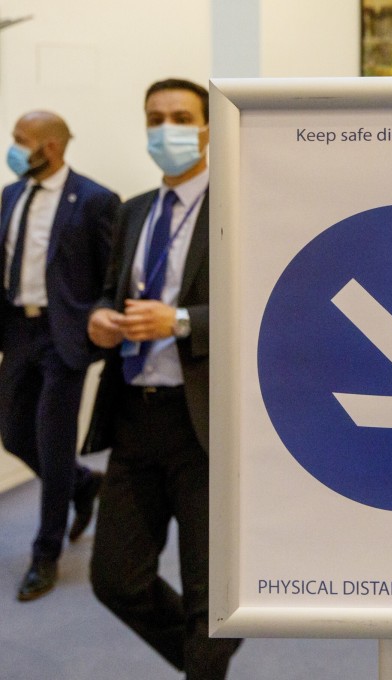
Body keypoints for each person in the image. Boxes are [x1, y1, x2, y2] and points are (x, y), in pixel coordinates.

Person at [84, 78, 240, 678]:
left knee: (210, 597)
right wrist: (101, 318)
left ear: (207, 129)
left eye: (180, 117)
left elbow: (266, 308)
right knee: (115, 580)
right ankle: (203, 655)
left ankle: (206, 657)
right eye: (155, 119)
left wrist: (180, 321)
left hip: (203, 424)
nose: (166, 130)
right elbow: (110, 293)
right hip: (133, 417)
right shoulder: (133, 211)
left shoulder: (236, 205)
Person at [0, 111, 119, 601]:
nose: (12, 148)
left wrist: (96, 322)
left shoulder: (94, 200)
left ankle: (44, 553)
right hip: (17, 330)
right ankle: (83, 483)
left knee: (53, 443)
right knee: (13, 434)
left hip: (62, 336)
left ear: (49, 147)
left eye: (20, 140)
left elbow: (111, 274)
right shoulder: (11, 195)